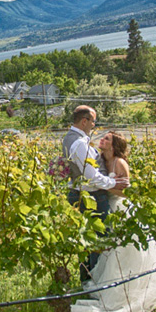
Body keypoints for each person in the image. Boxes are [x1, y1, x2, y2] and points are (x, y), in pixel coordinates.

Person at [70, 130, 156, 312]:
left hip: (119, 208)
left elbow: (125, 191)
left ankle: (126, 289)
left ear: (113, 146)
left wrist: (103, 186)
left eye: (106, 139)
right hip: (106, 205)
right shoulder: (100, 159)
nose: (101, 140)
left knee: (121, 249)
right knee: (109, 249)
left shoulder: (120, 163)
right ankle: (104, 285)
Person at [62, 105, 130, 280]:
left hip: (82, 194)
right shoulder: (78, 142)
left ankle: (88, 280)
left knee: (86, 240)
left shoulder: (73, 139)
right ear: (84, 121)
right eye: (93, 121)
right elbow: (92, 176)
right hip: (90, 196)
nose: (94, 125)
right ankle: (96, 281)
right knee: (98, 240)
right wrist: (114, 182)